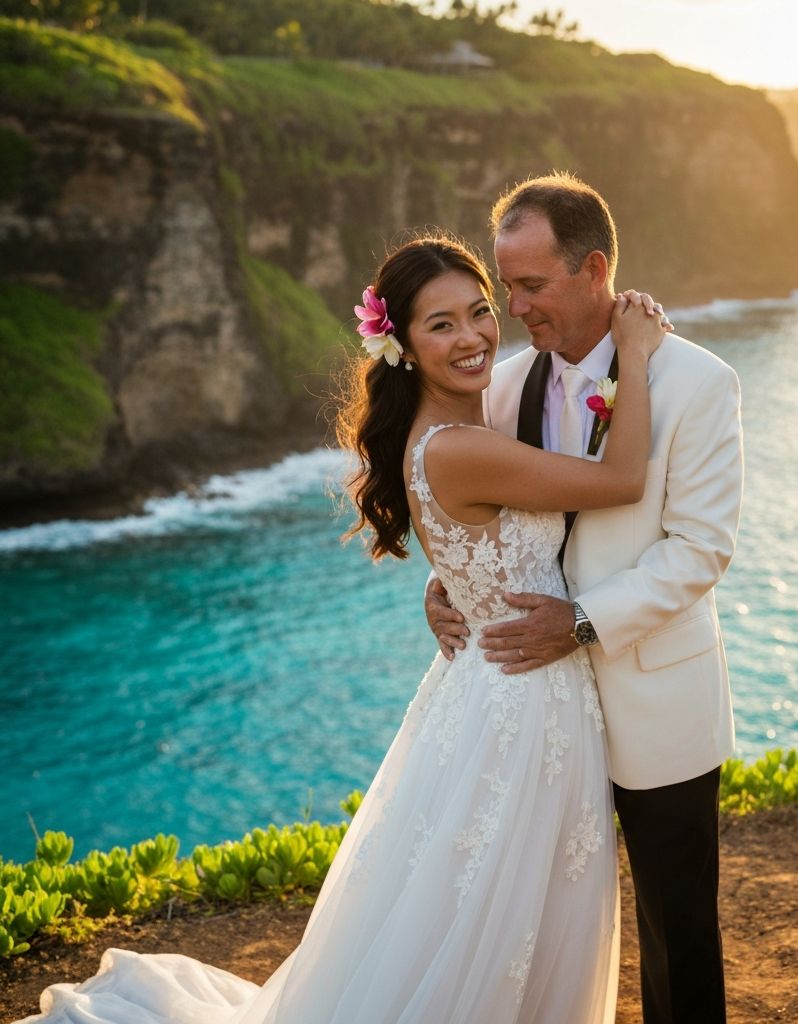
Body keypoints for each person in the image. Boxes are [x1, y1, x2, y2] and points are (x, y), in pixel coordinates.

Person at [13, 234, 668, 1024]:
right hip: (518, 708)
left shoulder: (447, 435)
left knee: (486, 909)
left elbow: (485, 546)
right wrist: (633, 350)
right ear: (403, 346)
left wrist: (449, 582)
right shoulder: (459, 447)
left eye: (480, 312)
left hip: (503, 686)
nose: (473, 338)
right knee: (493, 913)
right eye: (441, 326)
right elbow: (623, 480)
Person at [426, 173, 743, 1024]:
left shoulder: (698, 383)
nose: (515, 308)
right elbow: (479, 516)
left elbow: (701, 548)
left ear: (594, 268)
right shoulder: (501, 387)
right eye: (508, 287)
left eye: (531, 285)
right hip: (536, 716)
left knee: (677, 928)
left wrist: (584, 620)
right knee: (532, 921)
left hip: (655, 696)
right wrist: (444, 585)